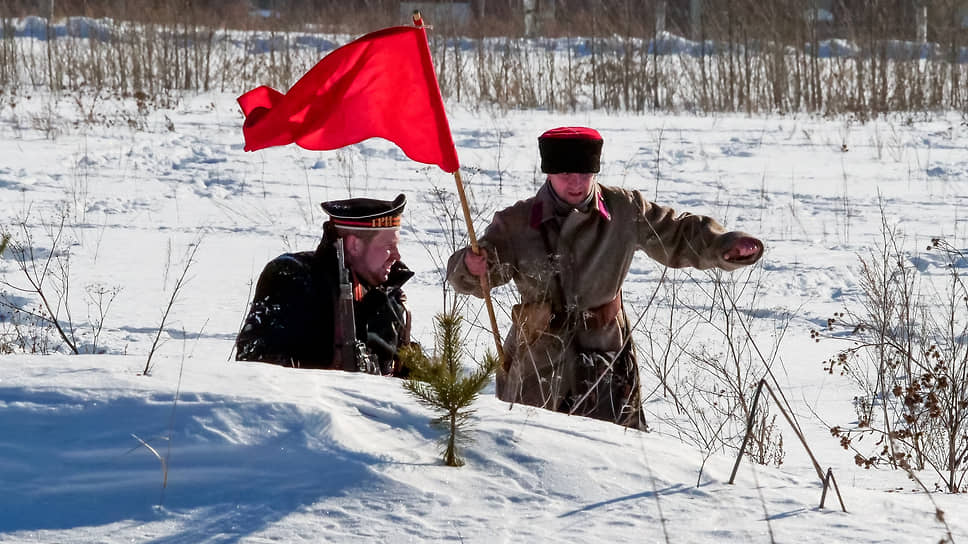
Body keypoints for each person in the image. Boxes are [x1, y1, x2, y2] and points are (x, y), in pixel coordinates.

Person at [446, 127, 763, 428]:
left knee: (611, 454)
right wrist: (471, 267)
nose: (577, 183)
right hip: (538, 359)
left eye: (585, 173)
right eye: (566, 174)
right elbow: (476, 275)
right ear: (548, 172)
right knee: (529, 447)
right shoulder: (517, 221)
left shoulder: (624, 209)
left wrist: (724, 245)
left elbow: (678, 233)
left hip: (604, 355)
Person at [236, 193, 415, 375]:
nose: (396, 256)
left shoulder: (391, 296)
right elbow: (256, 367)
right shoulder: (294, 278)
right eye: (388, 246)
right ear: (354, 245)